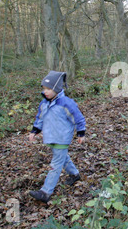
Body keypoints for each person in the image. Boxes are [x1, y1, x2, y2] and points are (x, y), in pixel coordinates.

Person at [28, 71, 86, 203]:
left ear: (57, 89)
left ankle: (45, 192)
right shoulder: (44, 104)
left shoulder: (66, 103)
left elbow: (78, 118)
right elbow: (40, 119)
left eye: (49, 89)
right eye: (44, 88)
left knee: (56, 163)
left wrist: (81, 133)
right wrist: (34, 131)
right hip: (50, 137)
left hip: (62, 138)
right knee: (63, 158)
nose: (46, 91)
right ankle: (74, 174)